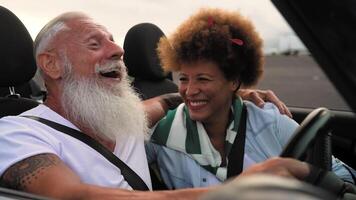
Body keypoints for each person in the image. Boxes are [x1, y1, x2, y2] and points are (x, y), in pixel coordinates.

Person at [0, 11, 309, 200]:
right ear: (52, 64)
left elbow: (169, 100)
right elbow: (72, 196)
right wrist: (240, 192)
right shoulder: (17, 132)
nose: (119, 50)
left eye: (113, 41)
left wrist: (230, 93)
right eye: (95, 44)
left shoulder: (124, 119)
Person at [146, 8, 356, 189]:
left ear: (234, 81)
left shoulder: (269, 122)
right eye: (183, 79)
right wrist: (166, 102)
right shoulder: (161, 135)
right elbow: (115, 157)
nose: (190, 91)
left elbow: (340, 176)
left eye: (203, 79)